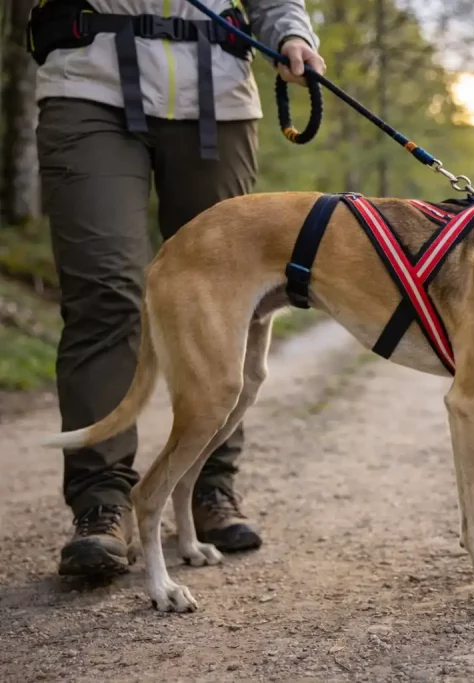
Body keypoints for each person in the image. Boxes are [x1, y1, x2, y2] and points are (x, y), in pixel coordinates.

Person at [29, 0, 326, 577]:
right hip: (90, 84)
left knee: (233, 298)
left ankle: (206, 484)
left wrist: (291, 33)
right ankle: (102, 503)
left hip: (216, 91)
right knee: (106, 292)